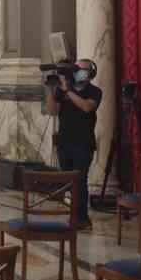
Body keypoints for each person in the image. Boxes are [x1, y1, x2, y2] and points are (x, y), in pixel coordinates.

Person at [46, 58, 103, 230]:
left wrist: (68, 90)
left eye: (82, 69)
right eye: (76, 69)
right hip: (64, 142)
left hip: (83, 143)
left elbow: (86, 107)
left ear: (90, 74)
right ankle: (74, 215)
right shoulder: (63, 90)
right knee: (68, 181)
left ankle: (81, 219)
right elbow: (52, 110)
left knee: (80, 180)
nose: (77, 72)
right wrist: (51, 89)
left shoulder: (94, 91)